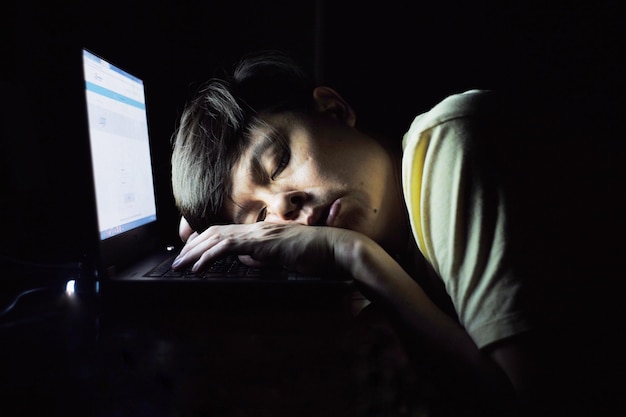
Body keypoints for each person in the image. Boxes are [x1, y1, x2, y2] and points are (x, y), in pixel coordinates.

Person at [168, 51, 615, 416]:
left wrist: (356, 257)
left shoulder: (449, 144)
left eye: (279, 163)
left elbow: (523, 403)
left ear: (334, 110)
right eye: (259, 217)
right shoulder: (403, 238)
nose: (284, 207)